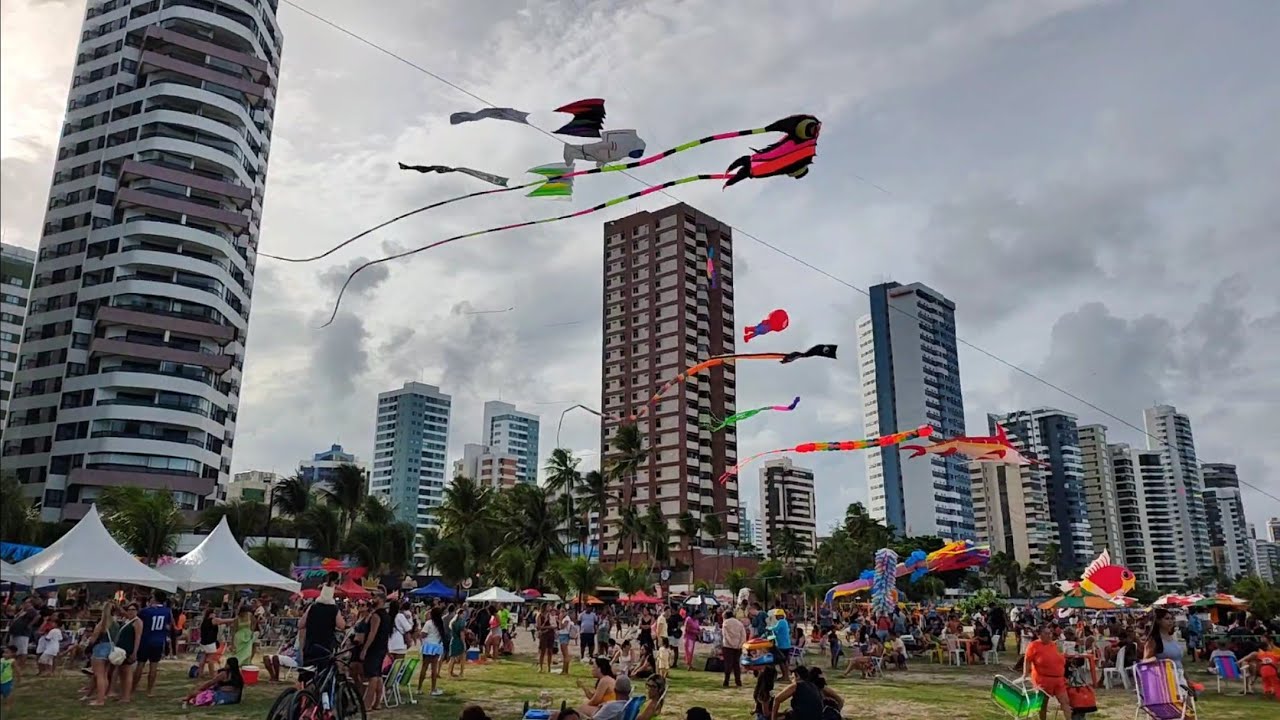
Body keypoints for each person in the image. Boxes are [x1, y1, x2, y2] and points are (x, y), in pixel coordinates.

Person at [298, 574, 346, 684]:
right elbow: (341, 625)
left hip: (310, 645)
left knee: (306, 674)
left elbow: (301, 624)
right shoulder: (334, 609)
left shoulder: (312, 607)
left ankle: (304, 696)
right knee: (323, 675)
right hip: (325, 646)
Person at [1022, 624, 1071, 720]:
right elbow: (1027, 660)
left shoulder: (1055, 645)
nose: (1049, 635)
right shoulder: (1034, 646)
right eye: (1046, 633)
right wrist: (1025, 674)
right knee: (1043, 705)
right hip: (1042, 680)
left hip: (1058, 680)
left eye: (1050, 633)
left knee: (1065, 702)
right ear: (1039, 635)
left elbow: (1062, 659)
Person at [136, 590, 175, 697]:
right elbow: (169, 625)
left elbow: (136, 620)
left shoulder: (146, 611)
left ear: (154, 598)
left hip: (146, 640)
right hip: (158, 641)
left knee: (140, 664)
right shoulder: (167, 611)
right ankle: (149, 690)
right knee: (153, 666)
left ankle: (133, 687)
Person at [361, 595, 391, 711]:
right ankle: (377, 703)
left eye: (375, 597)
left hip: (374, 648)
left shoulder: (376, 616)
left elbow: (372, 634)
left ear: (382, 600)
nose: (373, 599)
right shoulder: (387, 616)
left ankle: (368, 704)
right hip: (382, 647)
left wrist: (365, 649)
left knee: (372, 676)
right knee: (378, 675)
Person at [114, 602, 143, 702]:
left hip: (128, 649)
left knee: (127, 672)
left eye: (133, 610)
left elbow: (138, 638)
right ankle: (123, 694)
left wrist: (135, 652)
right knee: (121, 673)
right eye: (129, 610)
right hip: (121, 649)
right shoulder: (127, 621)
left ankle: (126, 696)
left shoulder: (137, 622)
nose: (130, 612)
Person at [417, 604, 447, 697]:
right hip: (436, 647)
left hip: (428, 646)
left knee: (424, 667)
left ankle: (419, 688)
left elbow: (423, 634)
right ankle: (433, 689)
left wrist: (419, 632)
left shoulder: (428, 623)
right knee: (434, 669)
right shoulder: (440, 623)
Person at [1239, 634, 1280, 698]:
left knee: (1267, 682)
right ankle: (1248, 687)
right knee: (1245, 663)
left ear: (1270, 641)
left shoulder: (1275, 651)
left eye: (1264, 641)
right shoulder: (1262, 653)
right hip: (1268, 670)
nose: (1262, 641)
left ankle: (1265, 692)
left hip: (1267, 670)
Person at [7, 600, 39, 674]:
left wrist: (30, 625)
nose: (24, 604)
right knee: (14, 650)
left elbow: (37, 616)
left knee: (22, 651)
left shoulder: (31, 610)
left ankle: (21, 668)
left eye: (26, 603)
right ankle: (15, 666)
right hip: (15, 632)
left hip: (22, 633)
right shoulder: (22, 611)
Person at [722, 609, 746, 688]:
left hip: (728, 646)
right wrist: (740, 644)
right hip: (738, 646)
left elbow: (725, 635)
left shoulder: (725, 623)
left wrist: (730, 643)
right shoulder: (739, 623)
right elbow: (743, 635)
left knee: (728, 664)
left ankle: (726, 681)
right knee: (736, 664)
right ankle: (738, 681)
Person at [195, 605, 221, 678]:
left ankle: (200, 673)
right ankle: (212, 674)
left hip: (203, 642)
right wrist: (233, 619)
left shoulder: (204, 621)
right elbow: (222, 621)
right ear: (211, 614)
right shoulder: (212, 620)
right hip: (210, 642)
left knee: (203, 658)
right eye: (214, 613)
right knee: (210, 659)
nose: (215, 615)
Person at [771, 610, 793, 682]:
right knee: (785, 661)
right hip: (786, 644)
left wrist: (768, 628)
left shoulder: (781, 622)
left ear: (780, 616)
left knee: (781, 661)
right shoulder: (785, 622)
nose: (776, 617)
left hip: (782, 645)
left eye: (776, 616)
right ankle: (785, 676)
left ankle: (785, 676)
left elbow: (775, 628)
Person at [448, 605, 468, 678]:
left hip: (453, 640)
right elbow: (461, 633)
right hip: (459, 641)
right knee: (462, 657)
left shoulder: (452, 622)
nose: (464, 615)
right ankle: (461, 673)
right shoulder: (461, 622)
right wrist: (464, 643)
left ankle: (449, 673)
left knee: (452, 658)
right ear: (460, 614)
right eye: (463, 614)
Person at [1, 645, 17, 713]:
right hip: (1, 679)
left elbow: (17, 670)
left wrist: (19, 678)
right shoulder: (1, 660)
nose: (4, 654)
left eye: (7, 652)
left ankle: (8, 705)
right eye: (4, 652)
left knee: (7, 694)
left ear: (13, 654)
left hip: (7, 680)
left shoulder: (12, 661)